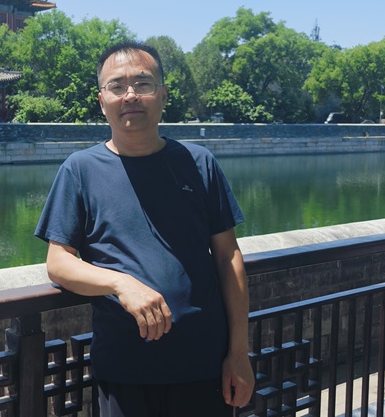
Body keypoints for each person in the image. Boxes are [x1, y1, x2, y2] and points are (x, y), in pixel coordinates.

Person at [35, 41, 254, 416]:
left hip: (203, 364)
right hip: (125, 369)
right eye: (117, 86)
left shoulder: (198, 163)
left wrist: (238, 352)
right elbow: (58, 262)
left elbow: (227, 257)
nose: (130, 95)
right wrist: (121, 284)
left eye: (143, 84)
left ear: (163, 95)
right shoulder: (80, 170)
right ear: (102, 100)